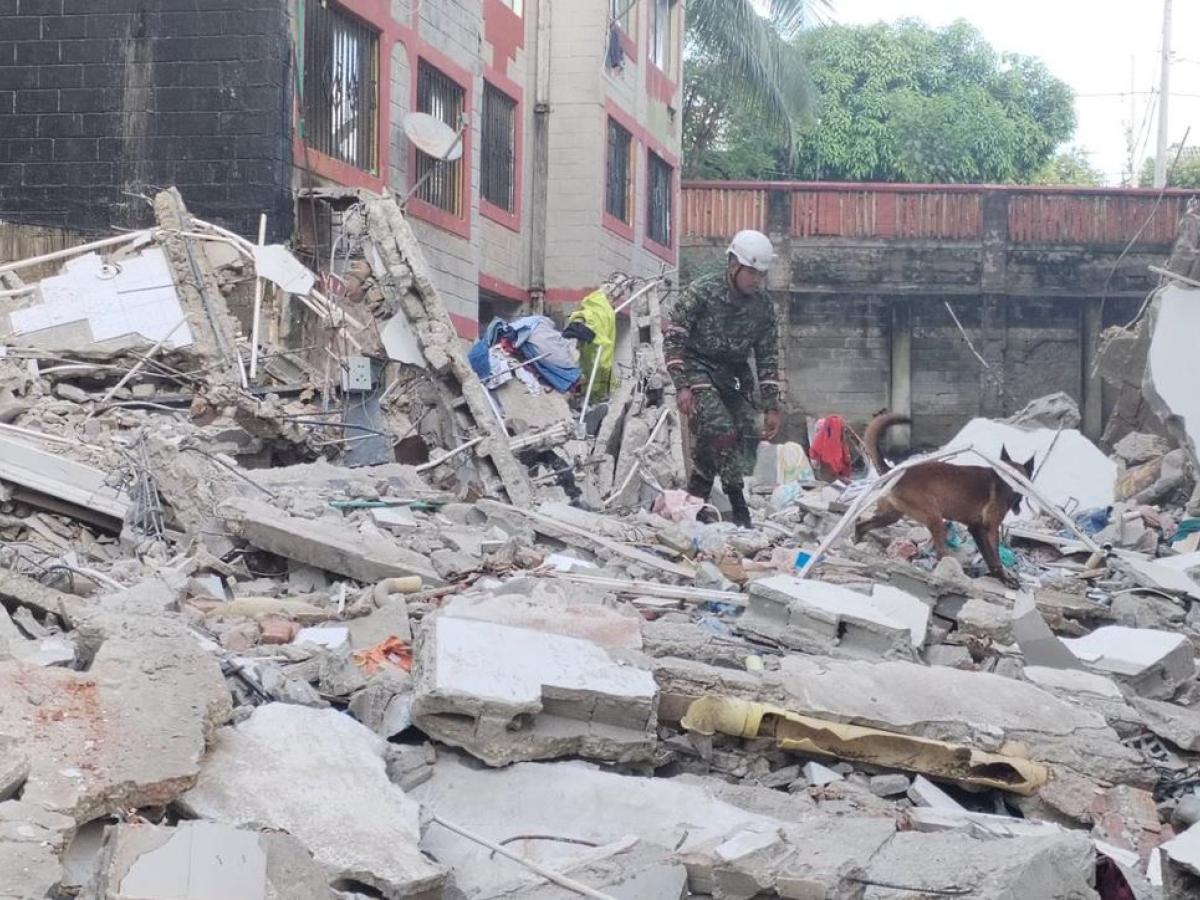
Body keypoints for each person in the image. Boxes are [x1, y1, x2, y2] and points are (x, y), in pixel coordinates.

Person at [665, 229, 782, 528]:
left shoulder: (763, 306)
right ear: (734, 265)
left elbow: (768, 357)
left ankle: (694, 503)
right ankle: (739, 507)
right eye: (752, 273)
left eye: (761, 274)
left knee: (735, 432)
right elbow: (675, 337)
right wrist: (682, 386)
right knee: (721, 430)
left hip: (733, 376)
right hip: (697, 369)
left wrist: (772, 407)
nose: (757, 280)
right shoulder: (701, 292)